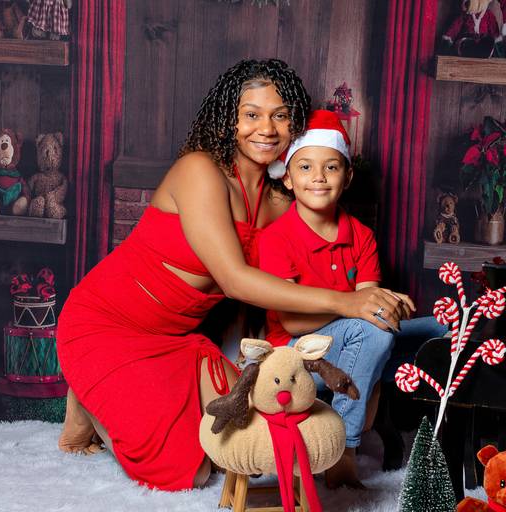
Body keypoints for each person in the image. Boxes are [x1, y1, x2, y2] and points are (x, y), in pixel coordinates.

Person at [55, 59, 411, 492]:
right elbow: (234, 281)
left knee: (239, 446)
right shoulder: (199, 170)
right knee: (186, 473)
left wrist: (369, 316)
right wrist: (347, 302)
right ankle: (89, 397)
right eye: (252, 114)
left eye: (280, 116)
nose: (267, 129)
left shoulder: (282, 203)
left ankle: (109, 392)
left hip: (177, 341)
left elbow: (286, 287)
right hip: (107, 323)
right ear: (228, 120)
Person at [258, 110, 447, 489]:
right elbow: (293, 322)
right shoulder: (276, 238)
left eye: (331, 167)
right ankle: (343, 448)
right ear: (288, 178)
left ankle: (384, 384)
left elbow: (370, 304)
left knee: (442, 328)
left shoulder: (360, 235)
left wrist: (388, 305)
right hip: (298, 351)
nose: (318, 177)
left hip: (355, 340)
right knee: (374, 333)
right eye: (306, 167)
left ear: (347, 177)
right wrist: (359, 307)